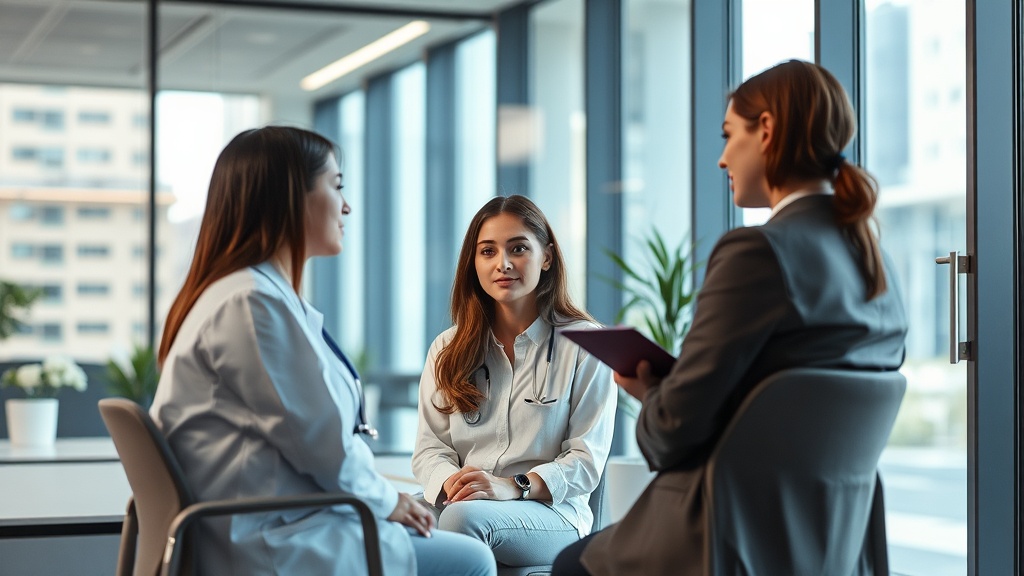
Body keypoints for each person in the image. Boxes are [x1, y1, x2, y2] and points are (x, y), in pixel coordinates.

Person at [552, 60, 909, 576]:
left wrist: (651, 392)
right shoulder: (876, 265)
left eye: (729, 134)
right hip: (827, 545)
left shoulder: (758, 253)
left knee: (570, 565)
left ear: (766, 130)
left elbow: (671, 434)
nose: (722, 159)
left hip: (726, 534)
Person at [151, 126, 495, 576]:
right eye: (336, 187)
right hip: (272, 542)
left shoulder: (242, 296)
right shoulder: (253, 304)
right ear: (291, 198)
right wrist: (387, 501)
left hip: (266, 522)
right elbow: (322, 445)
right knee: (471, 561)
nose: (346, 206)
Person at [412, 195, 617, 570]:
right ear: (473, 264)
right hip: (463, 503)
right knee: (379, 521)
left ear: (548, 257)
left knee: (460, 521)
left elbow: (586, 462)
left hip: (551, 514)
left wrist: (512, 487)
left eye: (518, 248)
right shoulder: (447, 347)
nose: (502, 264)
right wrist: (454, 485)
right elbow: (430, 450)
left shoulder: (587, 345)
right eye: (487, 251)